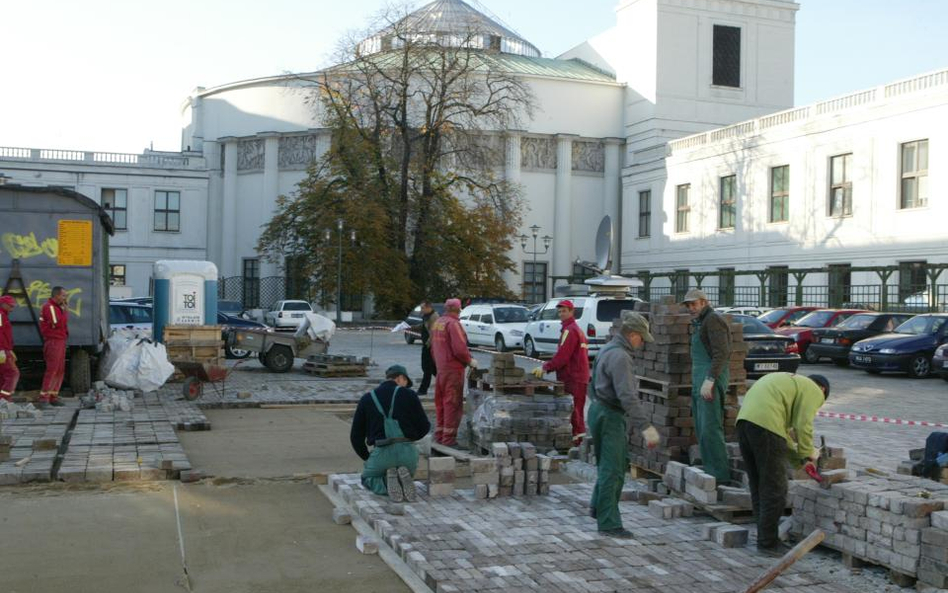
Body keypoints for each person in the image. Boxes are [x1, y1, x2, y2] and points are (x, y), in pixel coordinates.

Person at [736, 372, 829, 554]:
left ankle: (764, 537)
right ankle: (768, 544)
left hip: (744, 423)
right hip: (765, 425)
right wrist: (808, 453)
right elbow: (804, 424)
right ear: (823, 389)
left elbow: (782, 436)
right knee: (775, 488)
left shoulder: (789, 384)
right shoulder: (814, 389)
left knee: (759, 485)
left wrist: (800, 462)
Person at [588, 311, 660, 538]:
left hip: (598, 410)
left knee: (606, 464)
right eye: (641, 338)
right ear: (632, 334)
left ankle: (598, 507)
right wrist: (646, 427)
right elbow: (627, 396)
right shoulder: (620, 356)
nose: (642, 344)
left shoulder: (606, 349)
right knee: (614, 468)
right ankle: (609, 522)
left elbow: (591, 385)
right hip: (610, 416)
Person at [350, 364, 431, 502]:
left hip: (382, 452)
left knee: (367, 478)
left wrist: (367, 457)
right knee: (406, 473)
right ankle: (402, 479)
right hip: (407, 454)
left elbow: (355, 437)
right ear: (400, 378)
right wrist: (411, 439)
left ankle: (386, 484)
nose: (406, 386)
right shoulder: (409, 395)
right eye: (406, 382)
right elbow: (425, 426)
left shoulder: (367, 398)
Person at [682, 289, 731, 483]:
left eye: (694, 304)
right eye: (688, 305)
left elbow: (722, 353)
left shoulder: (713, 320)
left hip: (709, 382)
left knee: (710, 428)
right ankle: (710, 474)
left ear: (704, 302)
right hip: (699, 381)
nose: (691, 308)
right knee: (701, 428)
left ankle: (720, 477)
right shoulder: (700, 322)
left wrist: (710, 380)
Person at [531, 300, 589, 443]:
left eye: (564, 311)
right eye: (559, 312)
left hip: (573, 377)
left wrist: (545, 367)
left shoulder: (570, 330)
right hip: (578, 376)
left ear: (571, 312)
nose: (561, 314)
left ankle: (577, 444)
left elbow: (563, 356)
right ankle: (579, 444)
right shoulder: (575, 329)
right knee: (577, 411)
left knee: (574, 411)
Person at [430, 298, 476, 446]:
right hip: (453, 370)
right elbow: (459, 349)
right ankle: (448, 439)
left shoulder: (438, 323)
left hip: (441, 369)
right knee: (452, 404)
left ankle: (439, 435)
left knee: (441, 403)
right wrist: (469, 360)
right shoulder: (453, 324)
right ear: (457, 309)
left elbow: (432, 348)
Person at [39, 286, 69, 408]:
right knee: (52, 370)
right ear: (56, 295)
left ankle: (53, 396)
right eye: (63, 295)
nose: (65, 298)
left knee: (59, 369)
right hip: (53, 341)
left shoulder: (56, 307)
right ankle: (44, 398)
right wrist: (65, 311)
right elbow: (58, 323)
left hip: (60, 340)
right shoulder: (50, 307)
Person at [410, 301, 439, 396]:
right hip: (427, 346)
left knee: (427, 368)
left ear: (428, 307)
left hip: (430, 346)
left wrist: (428, 345)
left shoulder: (434, 317)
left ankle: (423, 389)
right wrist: (410, 327)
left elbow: (434, 333)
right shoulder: (427, 316)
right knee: (432, 369)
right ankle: (444, 383)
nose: (421, 310)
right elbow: (423, 327)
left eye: (422, 308)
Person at [0, 295, 19, 402]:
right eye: (10, 306)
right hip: (2, 349)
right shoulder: (0, 315)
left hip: (5, 349)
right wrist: (2, 350)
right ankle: (4, 398)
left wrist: (10, 349)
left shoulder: (3, 315)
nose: (12, 308)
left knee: (3, 375)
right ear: (3, 304)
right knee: (13, 373)